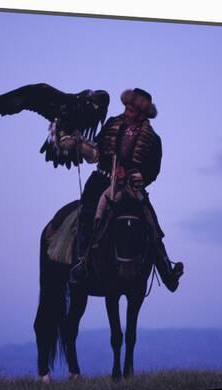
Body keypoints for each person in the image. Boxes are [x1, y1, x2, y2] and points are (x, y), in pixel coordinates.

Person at [68, 88, 184, 292]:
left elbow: (153, 170)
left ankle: (166, 270)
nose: (128, 112)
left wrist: (142, 177)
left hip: (130, 186)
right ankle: (81, 262)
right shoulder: (112, 123)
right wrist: (84, 148)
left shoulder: (154, 139)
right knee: (86, 213)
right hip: (102, 180)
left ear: (143, 114)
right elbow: (97, 148)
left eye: (133, 110)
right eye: (127, 108)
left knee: (151, 222)